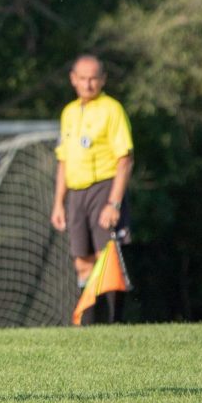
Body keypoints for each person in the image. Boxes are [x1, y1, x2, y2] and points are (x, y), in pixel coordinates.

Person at [50, 54, 133, 324]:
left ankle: (111, 323)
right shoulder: (69, 112)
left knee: (106, 257)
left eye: (93, 78)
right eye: (82, 79)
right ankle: (89, 322)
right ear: (73, 79)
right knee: (82, 259)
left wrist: (114, 203)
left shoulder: (112, 109)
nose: (88, 84)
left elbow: (125, 159)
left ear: (103, 80)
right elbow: (63, 160)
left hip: (104, 188)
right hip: (76, 193)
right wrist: (58, 203)